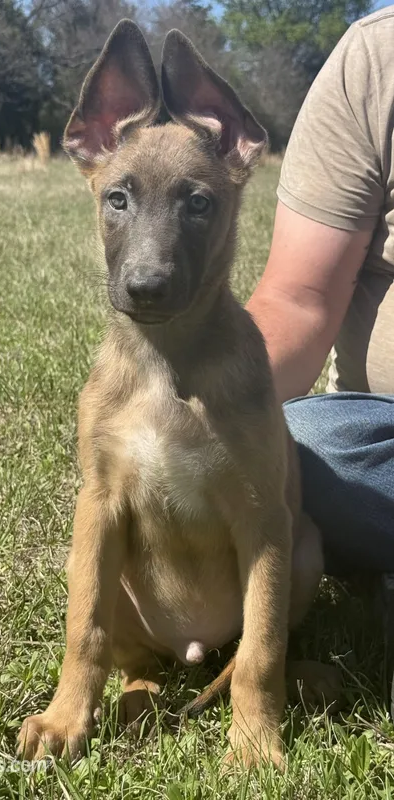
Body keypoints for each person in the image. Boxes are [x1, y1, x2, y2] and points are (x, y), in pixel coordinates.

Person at [247, 5, 394, 577]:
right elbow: (297, 300)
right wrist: (191, 412)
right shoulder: (377, 59)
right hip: (382, 440)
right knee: (305, 446)